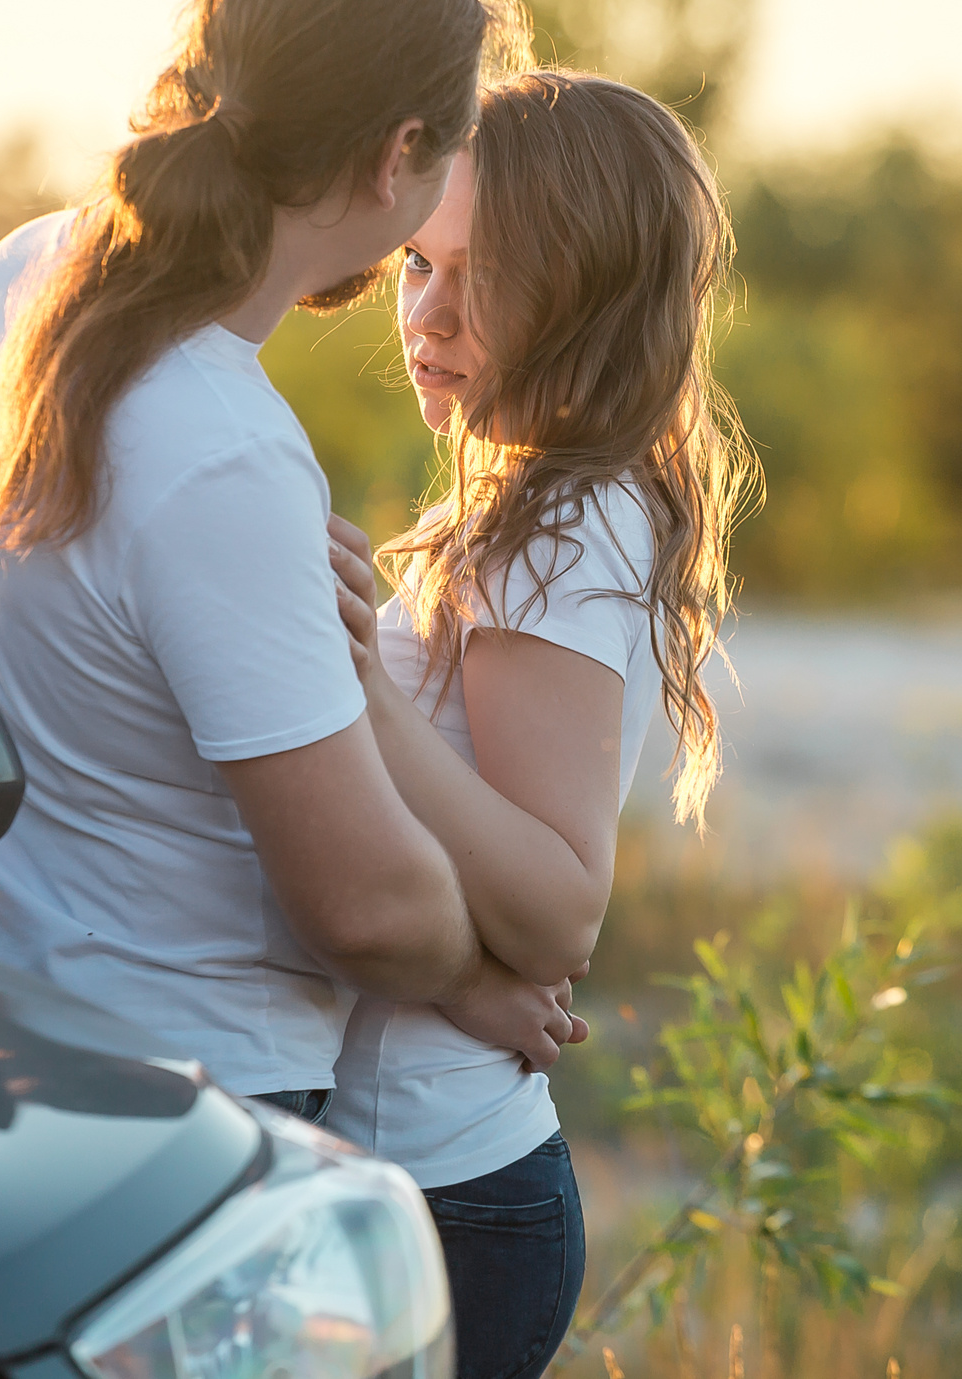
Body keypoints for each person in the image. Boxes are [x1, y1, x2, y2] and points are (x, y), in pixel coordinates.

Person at [0, 0, 576, 1118]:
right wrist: (471, 977)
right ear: (398, 155)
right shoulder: (220, 448)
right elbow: (367, 905)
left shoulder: (14, 282)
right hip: (192, 1105)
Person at [322, 69, 755, 1379]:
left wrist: (350, 688)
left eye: (481, 275)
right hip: (432, 1165)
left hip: (444, 1190)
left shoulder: (558, 524)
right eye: (415, 263)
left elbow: (562, 903)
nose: (429, 316)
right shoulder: (530, 504)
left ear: (588, 291)